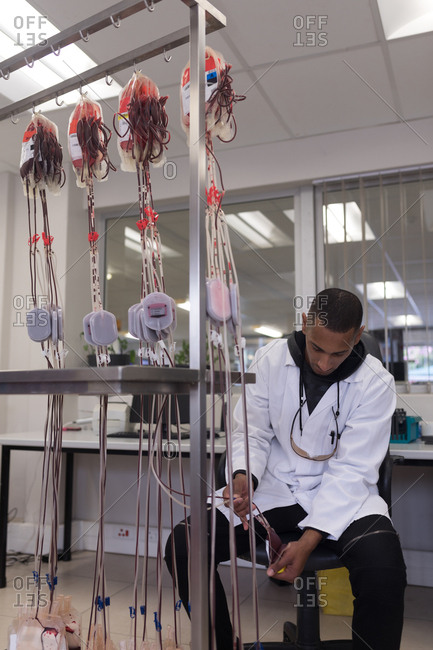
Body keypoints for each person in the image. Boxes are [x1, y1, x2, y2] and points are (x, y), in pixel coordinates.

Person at [165, 288, 407, 650]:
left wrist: (307, 542)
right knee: (183, 546)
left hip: (345, 499)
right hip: (276, 488)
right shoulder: (269, 360)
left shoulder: (376, 382)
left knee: (384, 569)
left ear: (357, 336)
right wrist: (243, 476)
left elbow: (353, 470)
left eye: (338, 353)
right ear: (306, 324)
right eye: (317, 349)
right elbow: (252, 432)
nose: (325, 363)